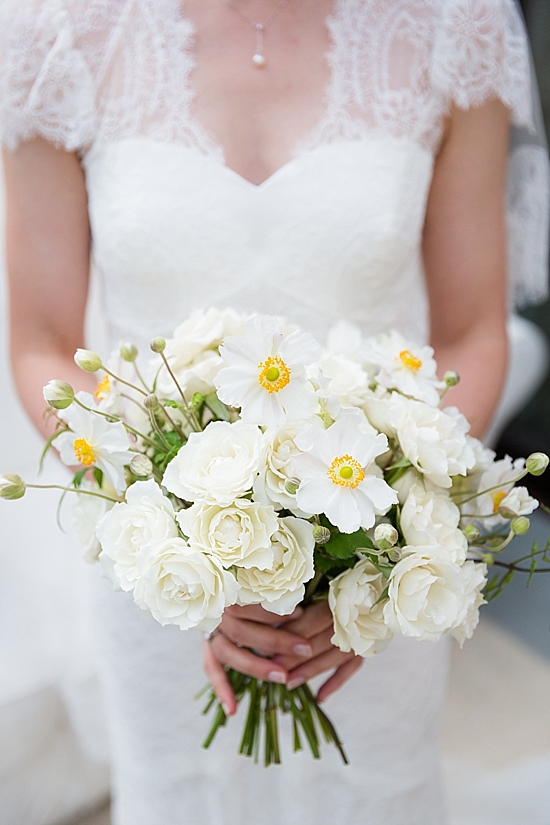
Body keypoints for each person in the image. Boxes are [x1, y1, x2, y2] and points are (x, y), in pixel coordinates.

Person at [1, 1, 548, 823]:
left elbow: (472, 330)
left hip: (377, 567)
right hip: (164, 567)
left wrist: (366, 552)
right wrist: (186, 536)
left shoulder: (454, 24)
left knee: (376, 792)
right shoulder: (57, 33)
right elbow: (43, 343)